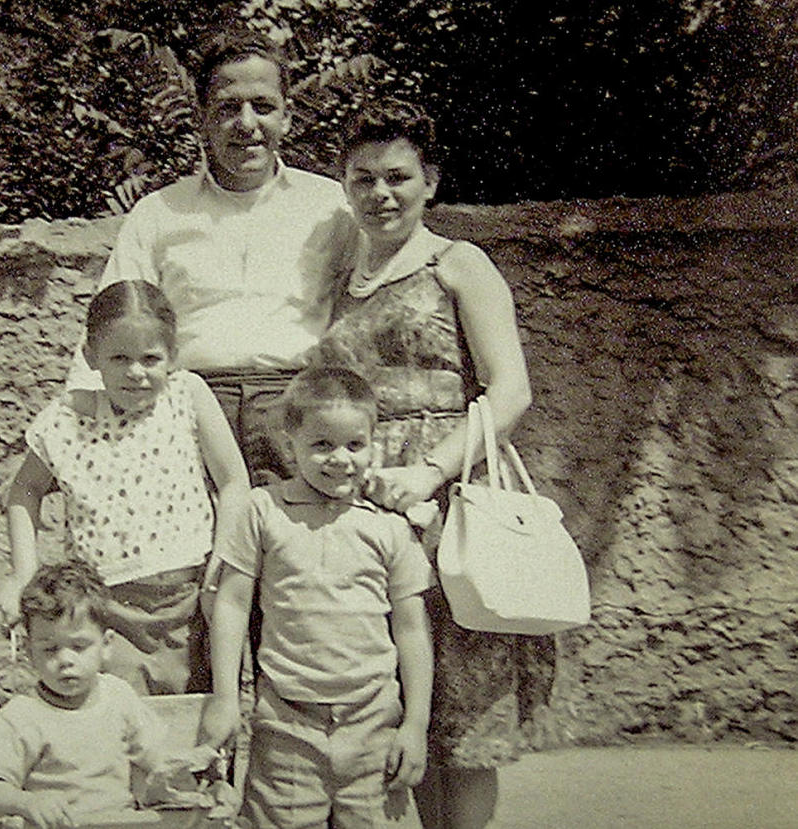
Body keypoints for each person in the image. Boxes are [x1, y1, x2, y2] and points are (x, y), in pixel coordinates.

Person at [312, 98, 546, 829]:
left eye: (398, 177)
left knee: (464, 715)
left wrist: (433, 471)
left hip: (448, 500)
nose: (381, 194)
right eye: (363, 179)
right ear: (344, 186)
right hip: (367, 505)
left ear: (430, 182)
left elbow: (511, 390)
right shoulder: (336, 284)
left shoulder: (459, 264)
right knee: (402, 703)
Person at [73, 26, 358, 484]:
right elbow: (110, 326)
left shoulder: (332, 208)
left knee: (298, 552)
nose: (247, 124)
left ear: (287, 117)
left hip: (301, 417)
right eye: (228, 108)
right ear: (202, 118)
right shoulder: (158, 214)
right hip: (185, 413)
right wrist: (89, 436)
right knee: (192, 553)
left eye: (263, 106)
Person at [198, 366, 435, 828]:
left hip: (373, 726)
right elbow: (230, 604)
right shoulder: (263, 511)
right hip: (287, 726)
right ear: (291, 446)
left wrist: (415, 724)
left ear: (375, 443)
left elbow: (411, 630)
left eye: (354, 445)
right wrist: (226, 699)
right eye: (321, 445)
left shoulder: (388, 525)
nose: (340, 459)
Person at [2, 280, 250, 695]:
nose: (136, 372)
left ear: (172, 356)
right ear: (91, 356)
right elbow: (22, 493)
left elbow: (233, 481)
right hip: (102, 611)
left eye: (150, 358)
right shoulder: (66, 420)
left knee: (189, 732)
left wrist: (221, 566)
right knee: (117, 734)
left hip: (188, 602)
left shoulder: (187, 396)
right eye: (119, 358)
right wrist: (24, 575)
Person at [0, 560, 168, 828]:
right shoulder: (22, 715)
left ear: (106, 646)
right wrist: (25, 802)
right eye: (50, 649)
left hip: (120, 822)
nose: (65, 660)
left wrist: (179, 785)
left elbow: (156, 759)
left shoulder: (119, 697)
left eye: (79, 646)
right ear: (29, 651)